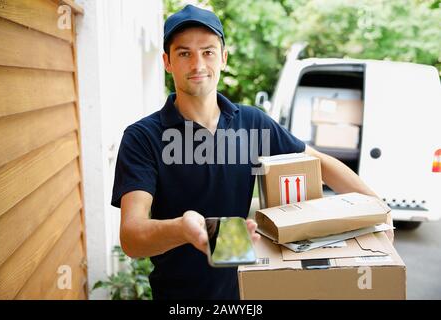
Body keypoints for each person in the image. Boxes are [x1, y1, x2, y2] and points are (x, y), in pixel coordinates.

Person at [111, 4, 394, 300]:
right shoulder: (143, 137)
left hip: (244, 292)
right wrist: (184, 229)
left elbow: (320, 164)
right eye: (184, 53)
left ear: (223, 58)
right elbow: (132, 237)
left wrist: (379, 211)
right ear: (167, 62)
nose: (197, 64)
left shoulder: (251, 123)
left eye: (207, 52)